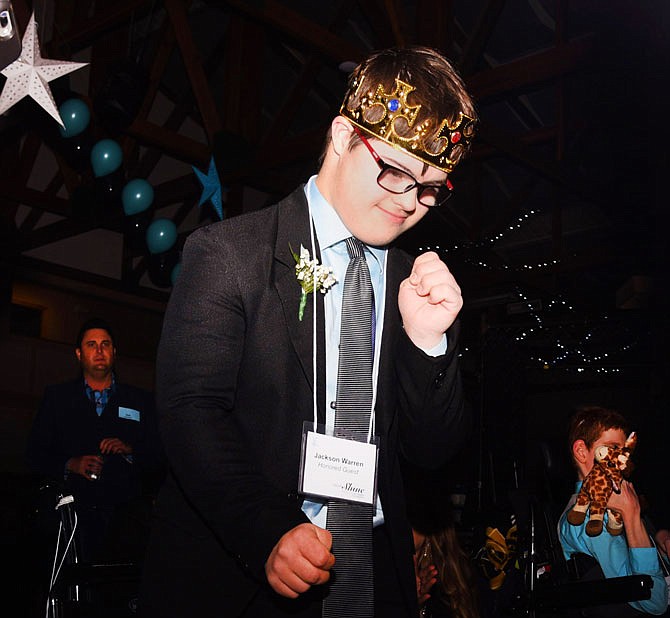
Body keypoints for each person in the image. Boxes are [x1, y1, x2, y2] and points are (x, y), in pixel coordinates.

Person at [139, 45, 476, 618]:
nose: (410, 204)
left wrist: (427, 344)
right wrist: (268, 528)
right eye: (395, 172)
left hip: (372, 574)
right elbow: (191, 412)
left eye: (431, 187)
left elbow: (433, 454)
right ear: (344, 136)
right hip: (243, 571)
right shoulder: (230, 254)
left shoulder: (417, 285)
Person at [25, 317, 165, 565]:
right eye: (92, 345)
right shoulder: (58, 398)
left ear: (114, 352)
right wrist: (71, 464)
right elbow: (34, 455)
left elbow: (160, 456)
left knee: (116, 596)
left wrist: (131, 450)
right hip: (70, 519)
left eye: (105, 344)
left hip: (124, 522)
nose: (99, 351)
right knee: (74, 594)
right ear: (79, 354)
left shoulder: (140, 400)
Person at [558, 406, 668, 616]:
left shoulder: (616, 502)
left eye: (625, 450)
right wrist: (633, 517)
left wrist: (659, 543)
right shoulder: (591, 517)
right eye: (612, 448)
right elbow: (654, 602)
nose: (621, 459)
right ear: (582, 451)